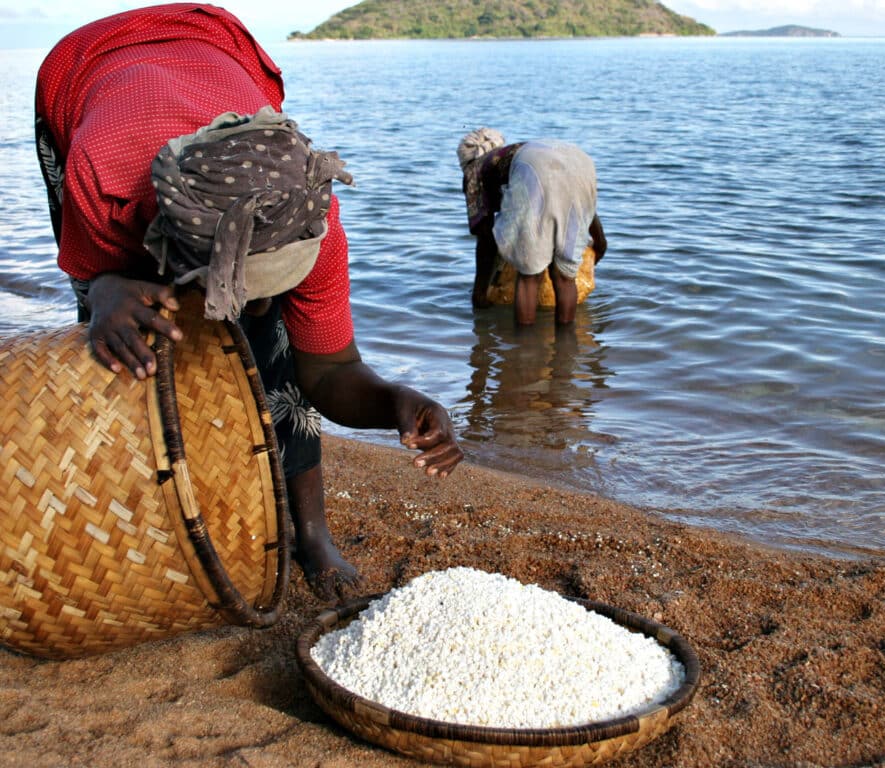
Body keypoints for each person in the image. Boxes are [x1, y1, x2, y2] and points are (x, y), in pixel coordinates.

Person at [34, 4, 464, 601]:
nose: (258, 309)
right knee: (122, 333)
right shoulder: (101, 175)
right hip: (82, 71)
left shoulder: (313, 214)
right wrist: (105, 288)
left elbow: (329, 370)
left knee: (278, 339)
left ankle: (310, 534)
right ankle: (138, 506)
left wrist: (397, 401)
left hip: (214, 44)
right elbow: (93, 270)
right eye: (249, 292)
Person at [457, 128, 607, 327]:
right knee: (565, 275)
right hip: (581, 162)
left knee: (530, 275)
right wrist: (601, 242)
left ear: (465, 161)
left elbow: (485, 238)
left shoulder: (475, 171)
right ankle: (567, 348)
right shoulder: (518, 150)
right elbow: (584, 207)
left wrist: (479, 293)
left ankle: (526, 347)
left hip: (533, 173)